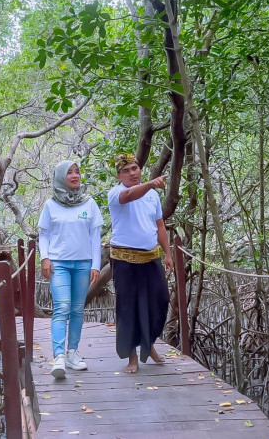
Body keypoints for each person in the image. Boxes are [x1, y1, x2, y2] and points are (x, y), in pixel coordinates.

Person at [108, 153, 173, 374]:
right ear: (119, 175)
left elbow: (160, 226)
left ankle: (149, 344)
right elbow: (129, 196)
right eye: (126, 171)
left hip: (150, 257)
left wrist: (168, 254)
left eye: (134, 168)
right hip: (124, 259)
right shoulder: (116, 193)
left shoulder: (152, 196)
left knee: (160, 300)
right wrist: (150, 183)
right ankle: (132, 357)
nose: (132, 173)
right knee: (128, 308)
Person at [38, 160, 103, 378]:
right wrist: (44, 258)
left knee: (77, 309)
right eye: (69, 173)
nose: (75, 176)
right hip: (59, 263)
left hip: (83, 263)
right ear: (60, 177)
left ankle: (73, 352)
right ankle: (59, 357)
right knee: (62, 307)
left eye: (77, 172)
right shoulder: (51, 205)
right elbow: (44, 234)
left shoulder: (89, 203)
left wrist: (96, 265)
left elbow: (96, 236)